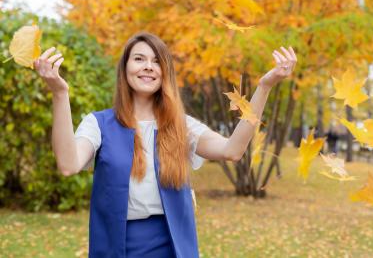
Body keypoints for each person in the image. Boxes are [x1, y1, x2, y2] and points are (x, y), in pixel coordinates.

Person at [34, 32, 297, 258]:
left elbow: (232, 150)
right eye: (139, 59)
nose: (148, 66)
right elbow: (68, 164)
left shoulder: (181, 126)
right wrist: (60, 93)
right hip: (116, 246)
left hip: (172, 246)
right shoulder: (98, 124)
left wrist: (264, 87)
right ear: (125, 69)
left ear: (164, 73)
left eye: (156, 61)